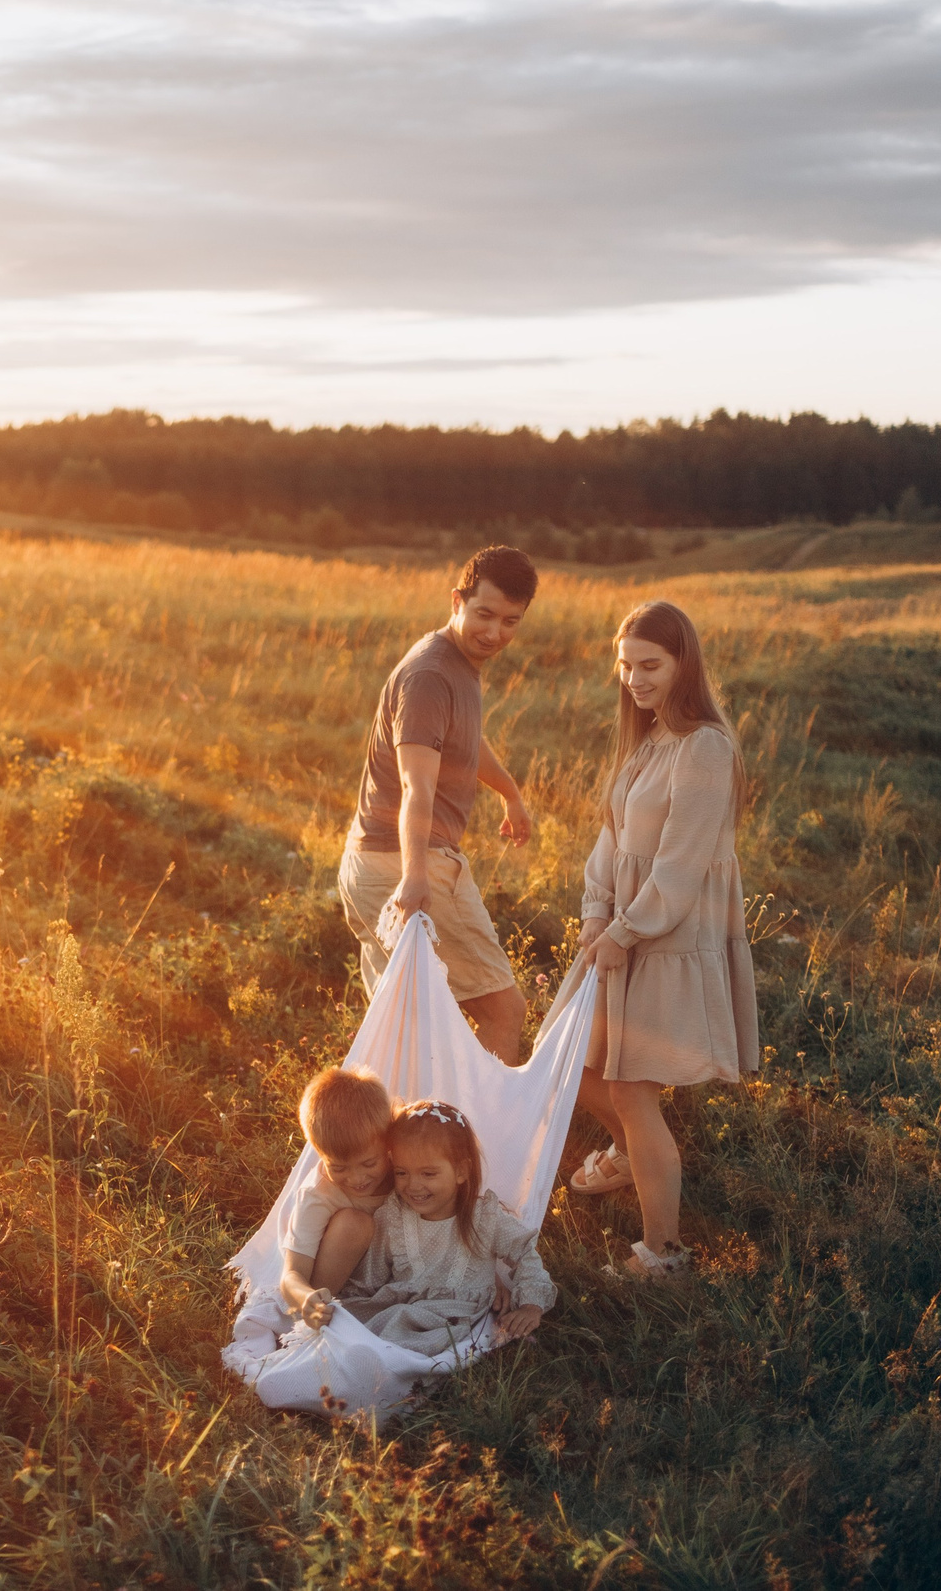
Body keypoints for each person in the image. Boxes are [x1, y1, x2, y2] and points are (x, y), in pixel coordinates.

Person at [564, 600, 758, 1279]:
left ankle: (663, 1252)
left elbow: (678, 867)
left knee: (630, 1091)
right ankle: (630, 1159)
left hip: (664, 936)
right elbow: (610, 839)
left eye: (650, 665)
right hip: (620, 929)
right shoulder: (647, 742)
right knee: (581, 1069)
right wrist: (595, 913)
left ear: (684, 664)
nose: (634, 679)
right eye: (625, 665)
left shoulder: (705, 745)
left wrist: (623, 929)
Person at [338, 546, 539, 1062]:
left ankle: (402, 1139)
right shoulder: (430, 675)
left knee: (404, 1035)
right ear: (458, 600)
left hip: (372, 863)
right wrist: (416, 876)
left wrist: (510, 793)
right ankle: (480, 1141)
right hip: (405, 862)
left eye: (511, 622)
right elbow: (416, 787)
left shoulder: (458, 665)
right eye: (485, 615)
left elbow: (466, 742)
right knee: (504, 1011)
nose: (495, 634)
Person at [319, 1099, 553, 1353]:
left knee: (394, 1352)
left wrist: (531, 1305)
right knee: (357, 1341)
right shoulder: (394, 1217)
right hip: (402, 1311)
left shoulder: (484, 1217)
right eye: (401, 1173)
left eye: (428, 1174)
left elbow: (526, 1253)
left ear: (461, 1171)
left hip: (456, 1320)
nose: (413, 1186)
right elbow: (371, 1276)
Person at [278, 1066, 396, 1325]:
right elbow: (291, 1276)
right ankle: (323, 1311)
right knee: (354, 1224)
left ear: (387, 1143)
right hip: (340, 1281)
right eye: (339, 1168)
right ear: (320, 1155)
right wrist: (306, 1297)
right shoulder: (318, 1195)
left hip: (395, 1270)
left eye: (369, 1163)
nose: (356, 1179)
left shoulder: (403, 1167)